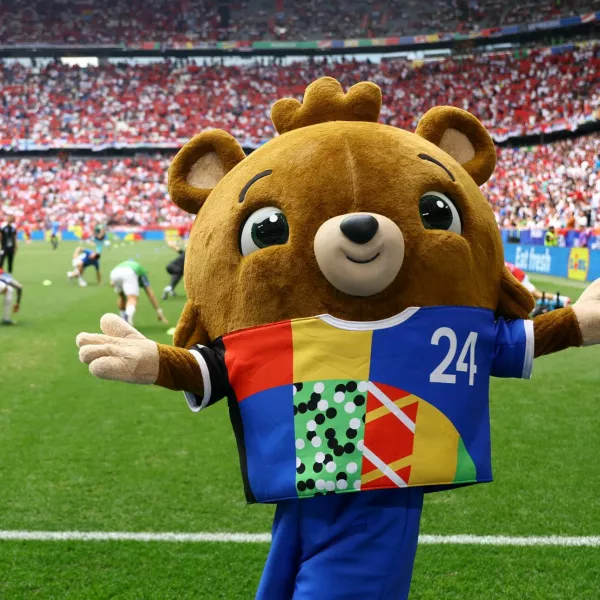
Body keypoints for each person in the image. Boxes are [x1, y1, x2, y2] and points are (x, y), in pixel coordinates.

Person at [109, 259, 168, 327]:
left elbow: (112, 283)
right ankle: (128, 317)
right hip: (128, 273)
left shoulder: (121, 265)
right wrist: (159, 311)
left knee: (122, 296)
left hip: (114, 273)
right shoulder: (140, 271)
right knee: (132, 298)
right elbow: (150, 294)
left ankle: (123, 319)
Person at [505, 262, 570, 307]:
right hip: (520, 277)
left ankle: (563, 299)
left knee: (537, 295)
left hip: (521, 279)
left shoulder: (503, 266)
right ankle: (559, 302)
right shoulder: (503, 263)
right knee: (536, 297)